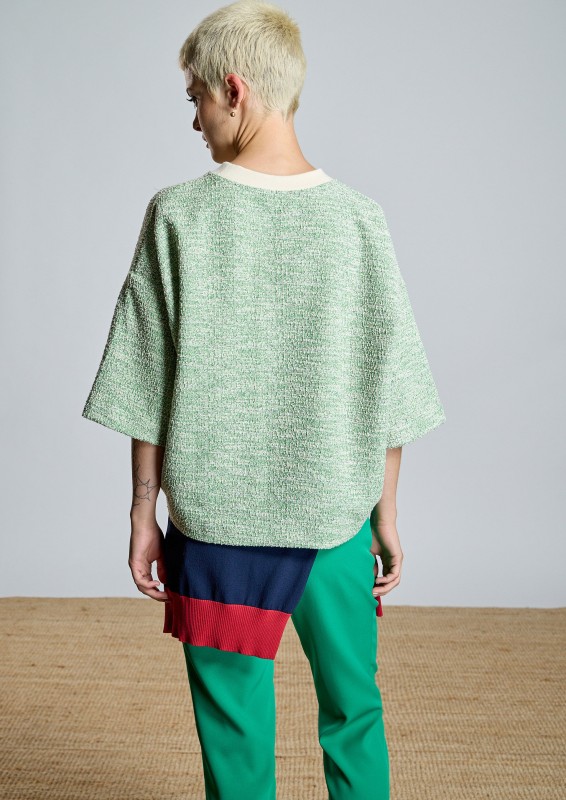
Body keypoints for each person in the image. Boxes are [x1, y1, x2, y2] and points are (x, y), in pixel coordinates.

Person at [81, 1, 446, 798]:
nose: (196, 121)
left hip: (219, 529)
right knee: (354, 710)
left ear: (234, 89)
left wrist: (143, 512)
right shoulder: (358, 220)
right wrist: (385, 513)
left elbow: (147, 377)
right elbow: (390, 382)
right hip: (335, 522)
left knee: (234, 729)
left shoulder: (177, 215)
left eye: (196, 99)